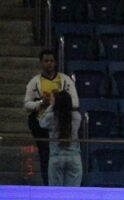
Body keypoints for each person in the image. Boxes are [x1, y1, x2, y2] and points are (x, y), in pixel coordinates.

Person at [23, 50, 79, 186]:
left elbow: (76, 102)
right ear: (41, 63)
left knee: (63, 152)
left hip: (62, 121)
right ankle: (47, 185)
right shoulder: (35, 82)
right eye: (46, 61)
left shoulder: (65, 80)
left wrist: (57, 103)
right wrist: (41, 103)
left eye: (51, 61)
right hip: (43, 123)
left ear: (55, 62)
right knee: (45, 155)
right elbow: (26, 104)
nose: (49, 64)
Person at [39, 90, 83, 186]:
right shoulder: (77, 116)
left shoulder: (51, 117)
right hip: (74, 157)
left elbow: (41, 122)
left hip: (56, 157)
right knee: (73, 192)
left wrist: (51, 106)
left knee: (56, 192)